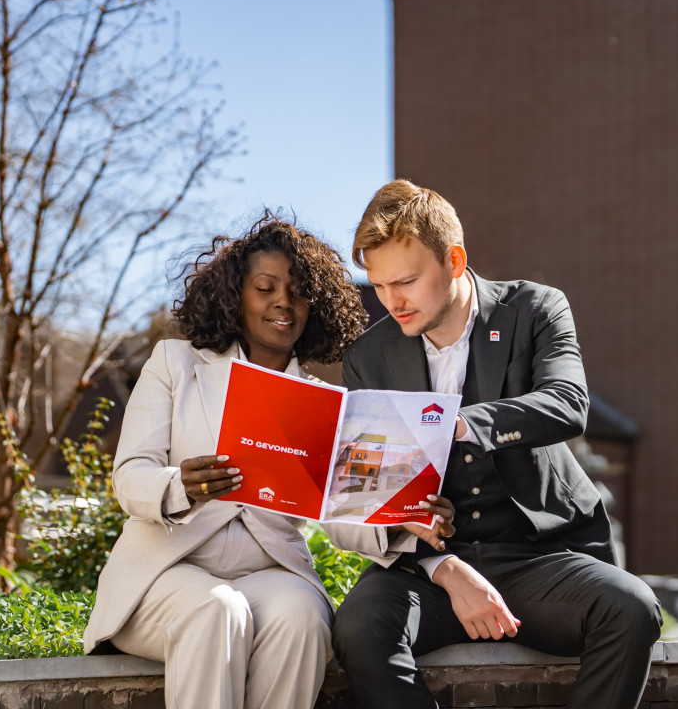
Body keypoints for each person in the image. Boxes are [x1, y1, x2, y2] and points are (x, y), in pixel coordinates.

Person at [83, 214, 452, 709]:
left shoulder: (326, 403)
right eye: (265, 287)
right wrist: (180, 485)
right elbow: (129, 478)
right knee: (219, 611)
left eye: (299, 291)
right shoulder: (176, 363)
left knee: (302, 614)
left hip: (272, 571)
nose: (284, 302)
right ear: (236, 295)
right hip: (168, 572)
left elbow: (342, 513)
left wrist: (403, 517)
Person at [331, 180, 664, 709]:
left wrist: (457, 423)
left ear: (455, 261)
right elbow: (361, 490)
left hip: (540, 556)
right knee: (359, 623)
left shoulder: (534, 309)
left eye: (407, 281)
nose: (391, 302)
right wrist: (438, 562)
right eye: (379, 285)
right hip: (435, 566)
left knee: (631, 609)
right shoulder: (368, 357)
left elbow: (567, 403)